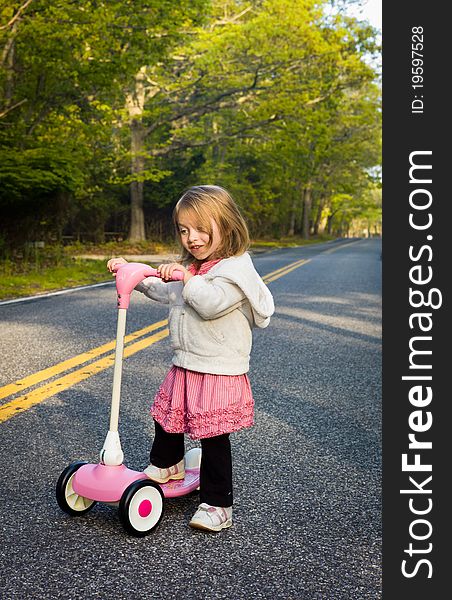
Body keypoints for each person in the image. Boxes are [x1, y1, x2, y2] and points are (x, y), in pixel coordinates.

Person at [107, 185, 274, 532]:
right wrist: (136, 275)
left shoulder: (234, 272)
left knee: (212, 437)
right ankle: (168, 464)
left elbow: (210, 302)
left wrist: (187, 278)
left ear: (226, 226)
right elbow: (169, 292)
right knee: (167, 414)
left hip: (217, 368)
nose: (191, 238)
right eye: (184, 230)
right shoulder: (196, 267)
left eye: (200, 229)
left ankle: (217, 504)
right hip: (187, 361)